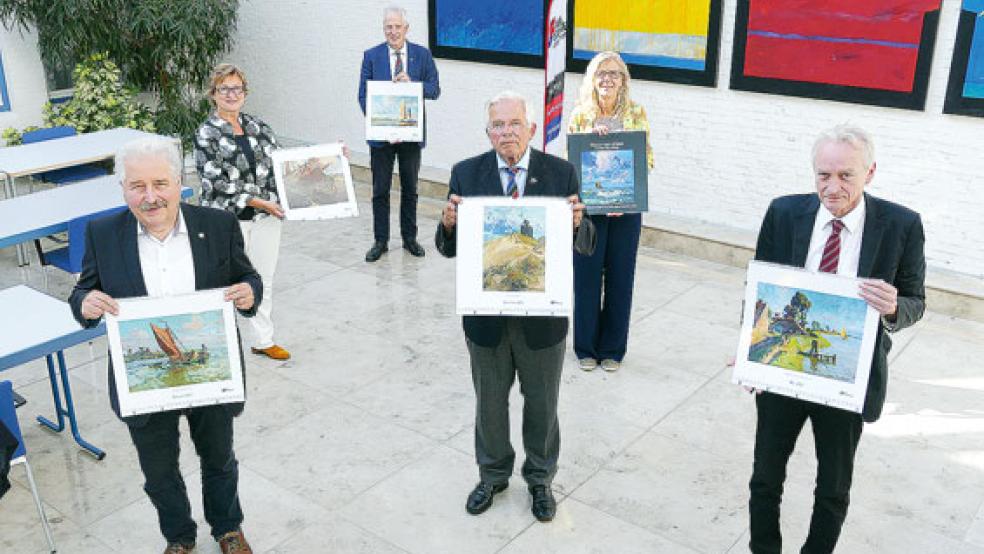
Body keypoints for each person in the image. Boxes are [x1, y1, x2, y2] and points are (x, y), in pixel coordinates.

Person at [69, 136, 261, 554]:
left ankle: (228, 529)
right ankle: (179, 537)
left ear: (179, 182)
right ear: (122, 188)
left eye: (160, 183)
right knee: (158, 472)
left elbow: (250, 278)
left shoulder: (218, 224)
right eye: (137, 186)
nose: (150, 196)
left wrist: (249, 292)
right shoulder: (102, 233)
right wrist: (85, 302)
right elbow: (83, 291)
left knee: (220, 460)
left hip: (213, 382)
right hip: (145, 389)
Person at [747, 124, 926, 554]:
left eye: (845, 175)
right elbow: (760, 291)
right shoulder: (783, 212)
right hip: (783, 372)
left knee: (832, 487)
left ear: (870, 173)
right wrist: (749, 351)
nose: (832, 187)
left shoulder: (901, 225)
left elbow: (916, 301)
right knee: (765, 477)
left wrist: (893, 307)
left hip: (848, 376)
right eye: (823, 175)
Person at [436, 91, 595, 522]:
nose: (506, 132)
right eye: (497, 125)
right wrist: (447, 225)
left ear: (531, 128)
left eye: (513, 124)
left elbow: (585, 244)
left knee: (542, 405)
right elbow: (448, 248)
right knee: (489, 403)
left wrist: (580, 223)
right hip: (485, 320)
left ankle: (540, 479)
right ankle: (492, 475)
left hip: (543, 321)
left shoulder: (561, 174)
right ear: (488, 132)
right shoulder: (466, 174)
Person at [195, 63, 290, 361]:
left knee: (263, 278)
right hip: (227, 220)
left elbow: (285, 164)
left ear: (245, 93)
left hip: (266, 219)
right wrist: (258, 201)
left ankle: (263, 340)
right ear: (214, 94)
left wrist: (331, 157)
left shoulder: (258, 127)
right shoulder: (206, 133)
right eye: (225, 89)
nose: (232, 94)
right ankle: (216, 343)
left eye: (237, 88)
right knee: (222, 281)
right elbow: (215, 180)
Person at [568, 51, 654, 373]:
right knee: (587, 278)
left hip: (626, 212)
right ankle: (586, 348)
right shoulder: (579, 115)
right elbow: (571, 165)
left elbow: (646, 159)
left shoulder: (637, 112)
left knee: (620, 278)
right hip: (588, 212)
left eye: (614, 74)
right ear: (592, 79)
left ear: (624, 80)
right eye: (601, 73)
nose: (607, 79)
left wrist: (625, 197)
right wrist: (592, 138)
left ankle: (613, 351)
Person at [359, 5, 441, 262]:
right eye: (388, 27)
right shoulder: (371, 56)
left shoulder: (422, 55)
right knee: (380, 190)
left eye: (397, 26)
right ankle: (380, 241)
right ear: (383, 29)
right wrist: (383, 124)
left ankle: (410, 238)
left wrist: (413, 85)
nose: (393, 31)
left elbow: (435, 89)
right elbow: (363, 96)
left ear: (406, 28)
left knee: (410, 189)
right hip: (381, 138)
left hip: (410, 136)